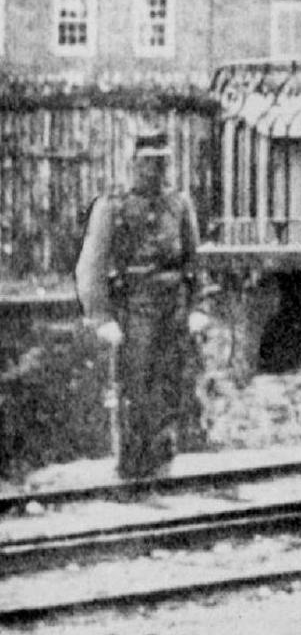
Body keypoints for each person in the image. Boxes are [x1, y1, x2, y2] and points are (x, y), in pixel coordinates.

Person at [75, 131, 206, 479]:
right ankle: (133, 469)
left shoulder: (179, 205)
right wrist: (101, 316)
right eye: (148, 162)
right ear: (133, 164)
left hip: (173, 309)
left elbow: (193, 262)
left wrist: (197, 308)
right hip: (133, 310)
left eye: (161, 162)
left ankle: (163, 467)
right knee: (135, 387)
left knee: (170, 385)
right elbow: (92, 265)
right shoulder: (112, 206)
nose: (155, 170)